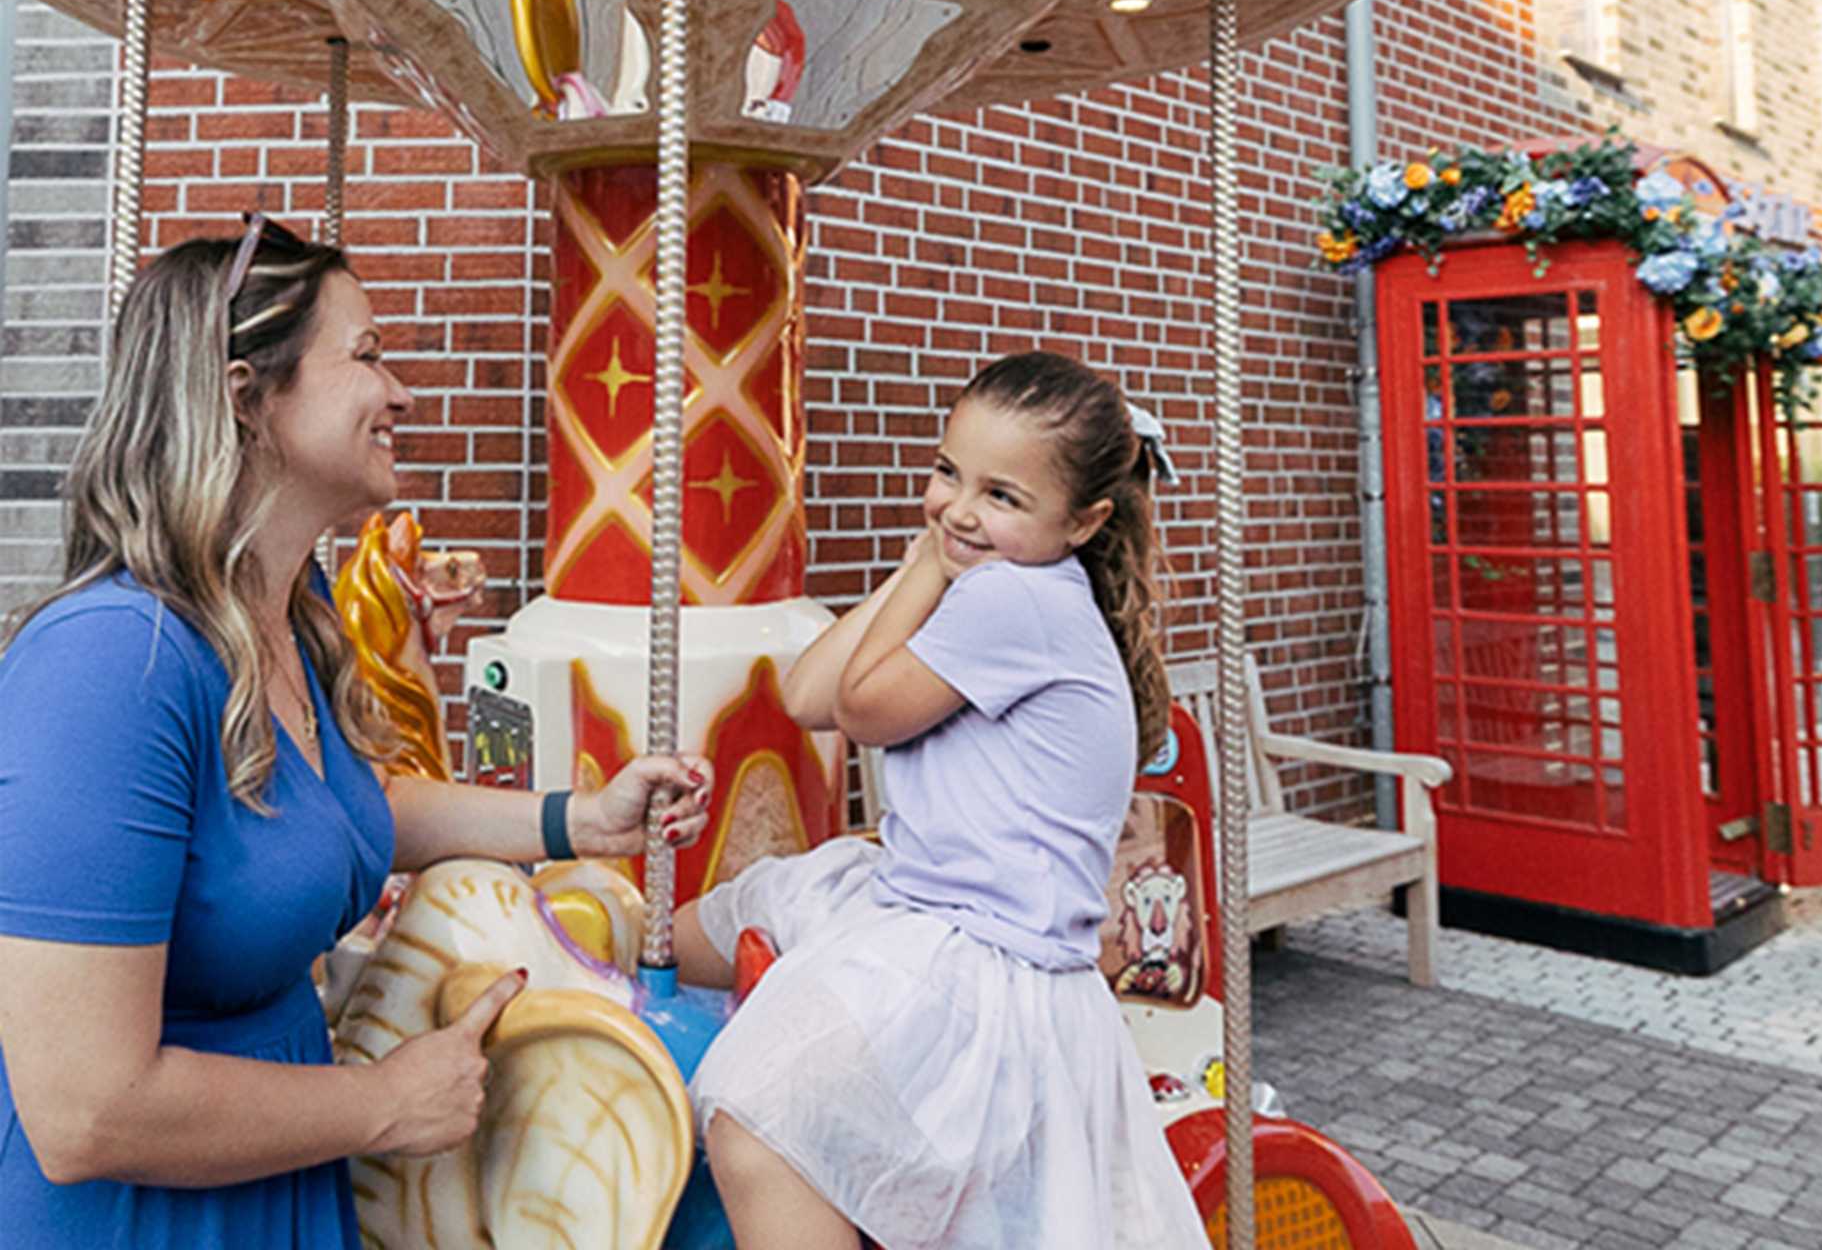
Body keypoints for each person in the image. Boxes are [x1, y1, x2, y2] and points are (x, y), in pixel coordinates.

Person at [0, 215, 713, 1249]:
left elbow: (337, 806)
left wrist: (580, 819)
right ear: (247, 398)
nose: (401, 394)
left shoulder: (288, 616)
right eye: (368, 356)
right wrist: (382, 1105)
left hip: (278, 1170)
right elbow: (83, 1108)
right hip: (145, 1211)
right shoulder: (111, 664)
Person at [674, 349, 1210, 1250]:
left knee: (761, 1122)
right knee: (689, 934)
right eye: (947, 473)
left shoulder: (1018, 600)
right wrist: (943, 550)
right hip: (922, 903)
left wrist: (935, 559)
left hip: (980, 961)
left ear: (1084, 521)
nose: (961, 507)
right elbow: (808, 698)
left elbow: (860, 710)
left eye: (1002, 496)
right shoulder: (997, 577)